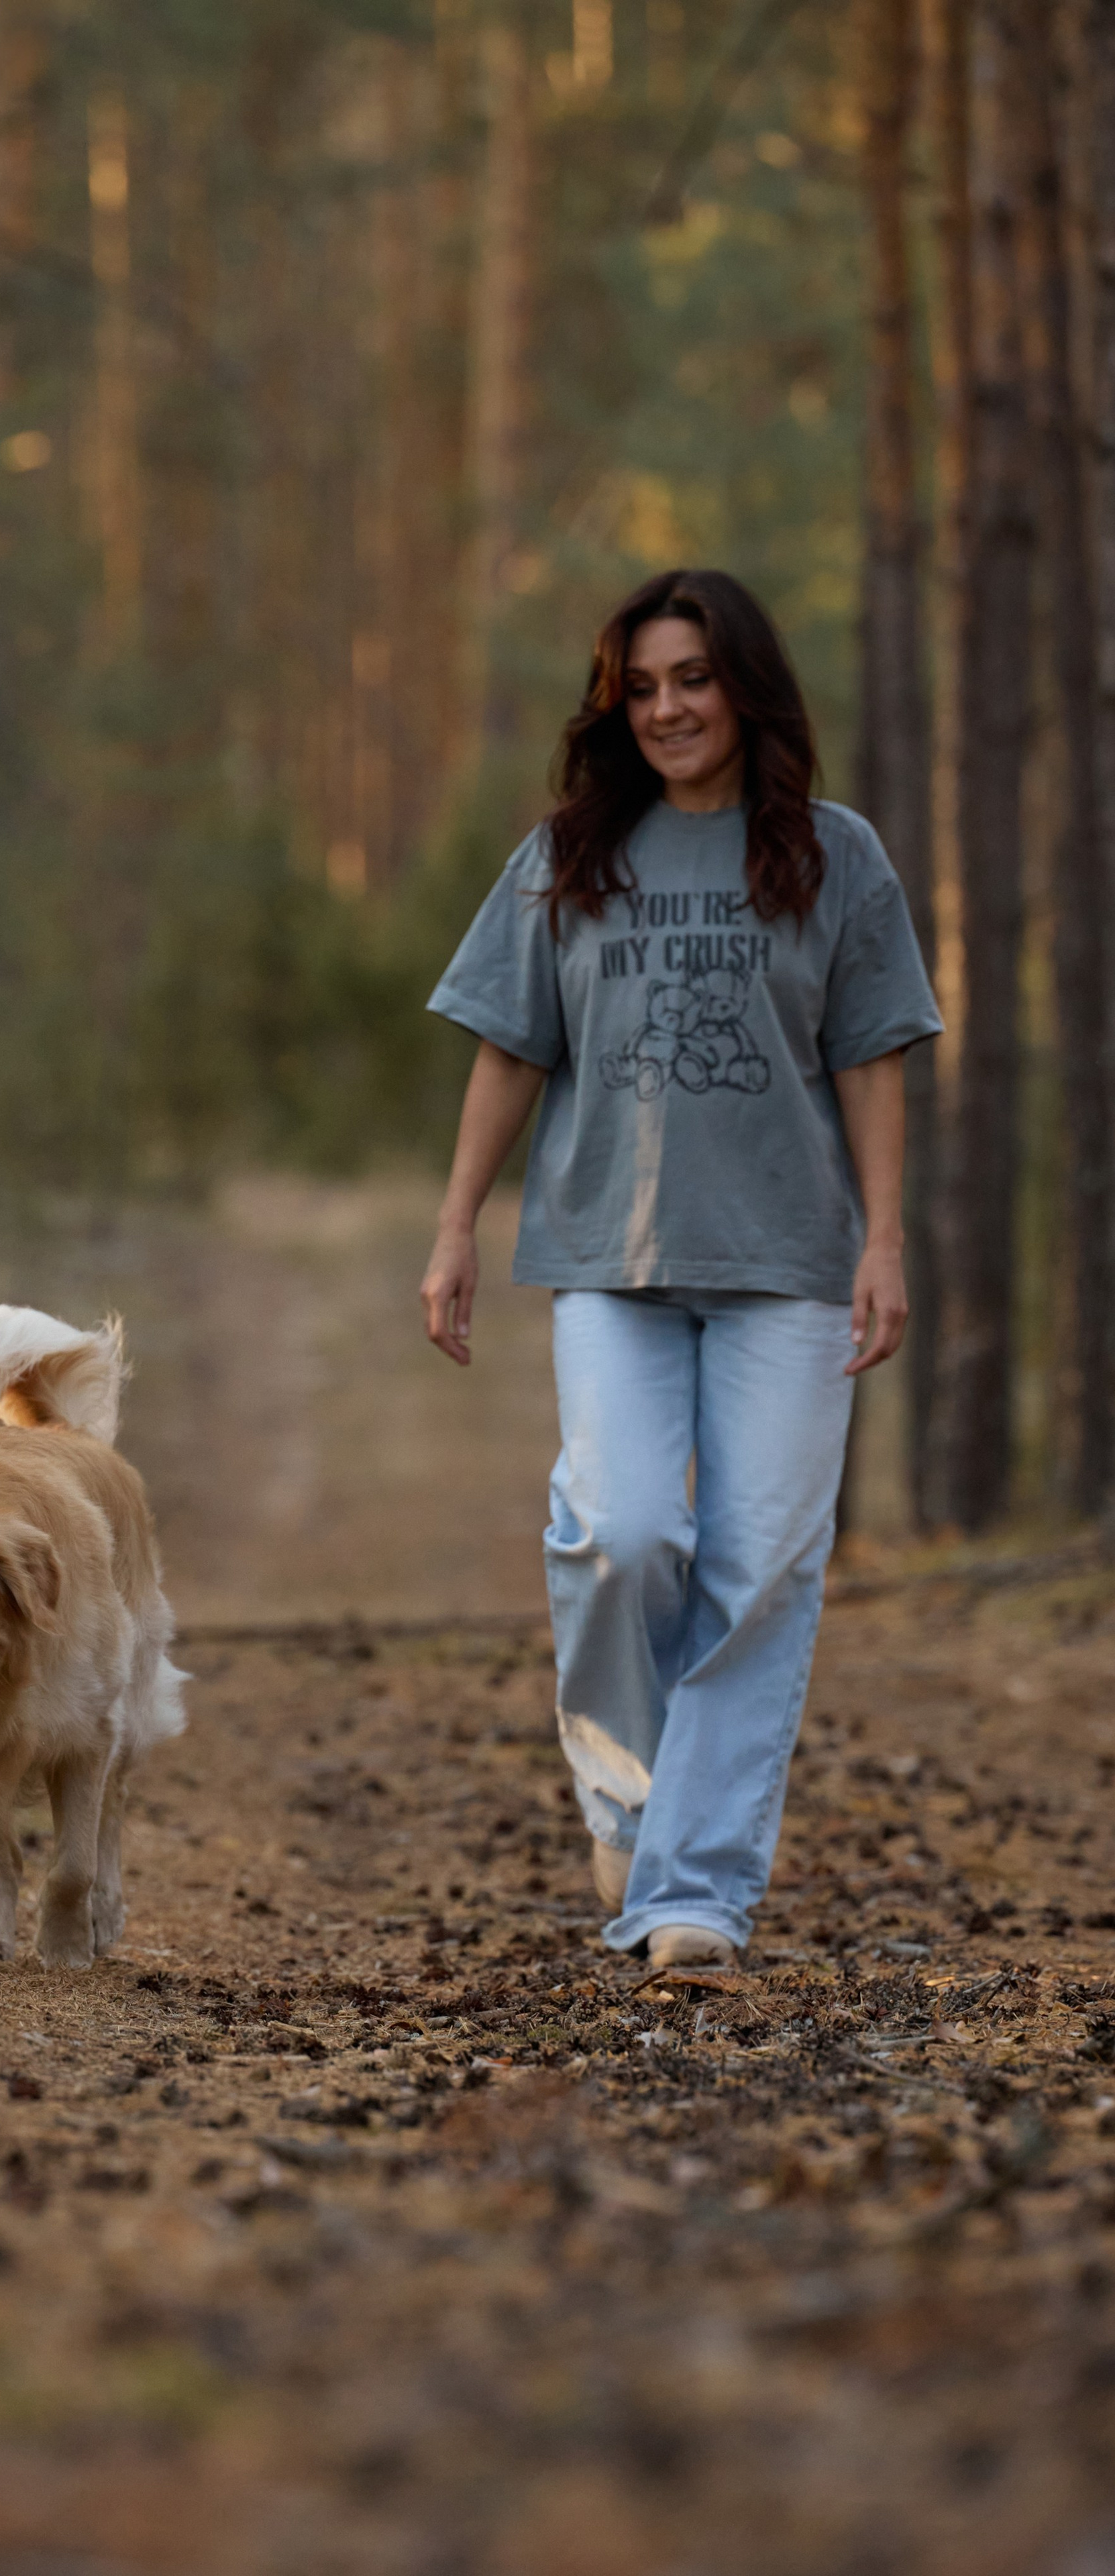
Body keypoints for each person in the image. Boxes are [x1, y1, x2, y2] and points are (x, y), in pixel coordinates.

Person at [419, 568, 941, 1969]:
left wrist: (884, 1240)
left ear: (743, 689)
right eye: (639, 687)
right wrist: (456, 1222)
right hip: (606, 1253)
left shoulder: (835, 857)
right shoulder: (567, 856)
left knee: (760, 1569)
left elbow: (872, 1054)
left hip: (792, 1263)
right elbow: (509, 1047)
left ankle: (690, 1891)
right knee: (622, 1529)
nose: (665, 709)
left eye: (691, 680)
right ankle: (625, 1794)